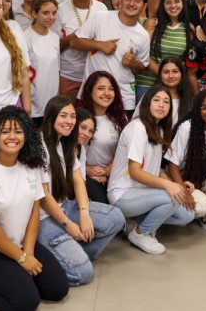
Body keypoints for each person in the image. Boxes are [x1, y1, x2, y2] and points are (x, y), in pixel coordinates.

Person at [0, 106, 69, 309]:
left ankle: (16, 277)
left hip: (21, 244)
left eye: (18, 131)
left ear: (27, 136)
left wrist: (27, 252)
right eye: (5, 131)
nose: (12, 136)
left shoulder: (31, 165)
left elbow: (34, 213)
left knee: (57, 290)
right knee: (27, 302)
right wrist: (21, 258)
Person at [36, 96, 125, 285]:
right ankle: (59, 256)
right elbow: (43, 196)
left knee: (116, 217)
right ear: (50, 117)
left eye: (72, 116)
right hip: (42, 218)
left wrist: (84, 214)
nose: (69, 121)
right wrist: (68, 225)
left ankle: (72, 253)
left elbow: (78, 181)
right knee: (84, 273)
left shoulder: (64, 143)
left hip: (65, 206)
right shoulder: (39, 145)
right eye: (63, 116)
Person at [108, 85, 193, 254]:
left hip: (144, 193)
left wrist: (178, 185)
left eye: (166, 101)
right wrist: (169, 186)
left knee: (186, 215)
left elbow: (155, 170)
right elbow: (135, 172)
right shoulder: (138, 128)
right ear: (147, 104)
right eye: (156, 100)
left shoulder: (158, 128)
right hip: (123, 194)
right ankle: (141, 232)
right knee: (172, 198)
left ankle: (131, 223)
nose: (161, 105)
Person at [72, 0, 149, 115]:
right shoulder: (100, 17)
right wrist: (99, 45)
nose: (131, 3)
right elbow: (74, 42)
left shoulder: (143, 35)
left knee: (120, 135)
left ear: (144, 6)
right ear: (121, 1)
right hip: (91, 92)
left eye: (137, 0)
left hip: (123, 97)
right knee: (84, 132)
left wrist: (133, 63)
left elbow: (142, 67)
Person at [166, 89, 206, 230]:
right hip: (179, 178)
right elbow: (172, 165)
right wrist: (184, 191)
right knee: (201, 207)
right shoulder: (187, 128)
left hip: (198, 176)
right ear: (197, 109)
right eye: (205, 107)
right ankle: (185, 211)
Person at [56, 0, 107, 102]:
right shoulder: (60, 10)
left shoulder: (101, 8)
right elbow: (54, 47)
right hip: (69, 76)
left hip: (95, 76)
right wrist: (77, 37)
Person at [77, 71, 128, 204]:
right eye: (101, 88)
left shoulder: (121, 119)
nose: (107, 93)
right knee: (104, 205)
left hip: (114, 173)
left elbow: (123, 152)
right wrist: (89, 171)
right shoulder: (78, 116)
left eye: (111, 89)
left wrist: (106, 171)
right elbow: (67, 151)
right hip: (82, 173)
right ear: (90, 91)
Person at [136, 0, 189, 101]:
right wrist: (164, 74)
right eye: (168, 2)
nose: (173, 6)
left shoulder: (188, 29)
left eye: (177, 1)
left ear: (183, 3)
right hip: (147, 84)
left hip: (172, 86)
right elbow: (142, 54)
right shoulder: (152, 24)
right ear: (162, 5)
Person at [23, 0, 61, 124]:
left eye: (54, 13)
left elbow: (56, 71)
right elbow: (23, 76)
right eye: (46, 13)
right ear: (34, 13)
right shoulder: (25, 38)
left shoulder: (55, 37)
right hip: (33, 105)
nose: (51, 17)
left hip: (51, 103)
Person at [133, 56, 195, 126]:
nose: (170, 76)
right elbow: (136, 122)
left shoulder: (190, 100)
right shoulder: (149, 96)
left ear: (182, 74)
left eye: (175, 71)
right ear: (160, 74)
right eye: (166, 72)